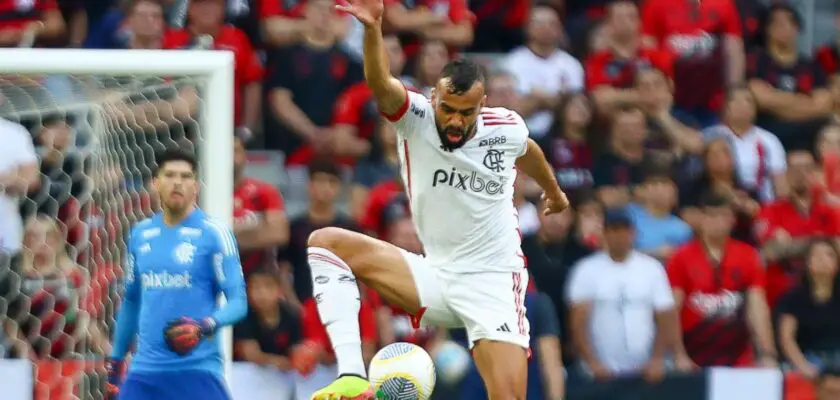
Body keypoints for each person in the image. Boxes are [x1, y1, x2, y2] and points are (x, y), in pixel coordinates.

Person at [305, 0, 569, 398]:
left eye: (466, 112)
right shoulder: (416, 118)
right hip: (436, 273)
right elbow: (381, 83)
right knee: (325, 243)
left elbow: (527, 149)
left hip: (493, 282)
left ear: (483, 106)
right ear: (434, 98)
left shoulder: (506, 127)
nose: (456, 121)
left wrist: (553, 191)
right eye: (448, 109)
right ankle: (352, 378)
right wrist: (374, 30)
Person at [105, 149, 248, 400]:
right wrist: (116, 362)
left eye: (186, 176)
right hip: (145, 372)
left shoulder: (214, 233)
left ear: (196, 186)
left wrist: (205, 325)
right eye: (170, 175)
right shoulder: (140, 234)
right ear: (155, 183)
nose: (178, 182)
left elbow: (238, 302)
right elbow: (131, 301)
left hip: (197, 370)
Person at [777, 239, 840, 379]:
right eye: (815, 255)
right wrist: (803, 366)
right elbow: (786, 338)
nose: (821, 259)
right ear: (807, 263)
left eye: (828, 255)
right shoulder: (793, 298)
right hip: (808, 358)